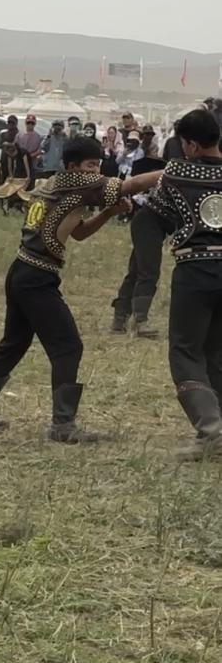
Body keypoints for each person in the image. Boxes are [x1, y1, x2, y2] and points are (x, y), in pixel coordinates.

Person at [0, 136, 162, 441]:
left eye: (98, 165)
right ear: (73, 166)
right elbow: (130, 185)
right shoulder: (76, 182)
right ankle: (62, 425)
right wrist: (174, 171)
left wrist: (108, 213)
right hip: (36, 277)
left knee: (14, 342)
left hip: (22, 270)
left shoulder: (55, 182)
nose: (96, 172)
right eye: (90, 165)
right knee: (68, 346)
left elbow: (77, 233)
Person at [145, 109, 222, 460]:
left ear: (191, 144)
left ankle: (211, 429)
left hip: (195, 270)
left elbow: (156, 214)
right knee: (216, 351)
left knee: (186, 351)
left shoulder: (177, 172)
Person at [110, 190, 174, 338]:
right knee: (148, 271)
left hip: (151, 224)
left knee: (136, 271)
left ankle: (120, 319)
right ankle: (140, 321)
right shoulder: (188, 180)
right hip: (148, 223)